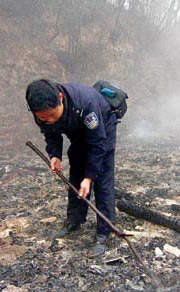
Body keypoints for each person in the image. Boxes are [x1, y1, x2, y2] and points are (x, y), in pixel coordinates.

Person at [26, 79, 118, 257]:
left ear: (60, 98)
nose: (49, 120)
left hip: (102, 131)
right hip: (77, 133)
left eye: (52, 115)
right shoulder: (41, 109)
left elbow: (97, 144)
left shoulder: (86, 103)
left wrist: (90, 177)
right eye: (43, 117)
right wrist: (55, 155)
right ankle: (75, 220)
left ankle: (104, 232)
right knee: (76, 173)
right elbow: (50, 133)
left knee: (102, 180)